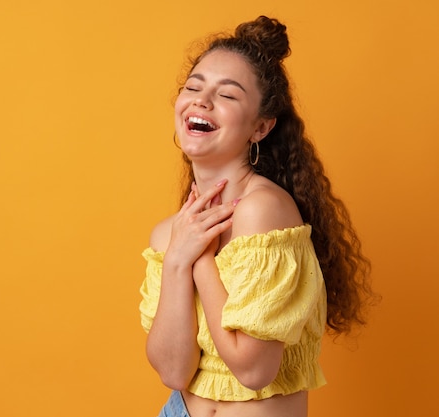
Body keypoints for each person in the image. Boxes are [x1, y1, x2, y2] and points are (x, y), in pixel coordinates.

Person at [139, 16, 376, 417]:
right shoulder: (170, 234)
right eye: (193, 87)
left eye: (227, 95)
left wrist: (198, 261)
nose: (201, 99)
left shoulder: (264, 210)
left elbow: (253, 368)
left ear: (261, 127)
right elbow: (174, 372)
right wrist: (177, 258)